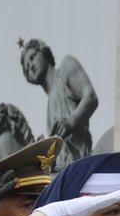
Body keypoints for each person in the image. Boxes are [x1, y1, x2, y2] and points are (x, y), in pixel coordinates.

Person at [19, 38, 98, 171]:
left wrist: (71, 122)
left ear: (44, 52)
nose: (31, 65)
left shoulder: (66, 67)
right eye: (27, 68)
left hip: (81, 161)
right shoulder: (49, 107)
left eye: (33, 57)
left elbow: (90, 96)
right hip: (63, 169)